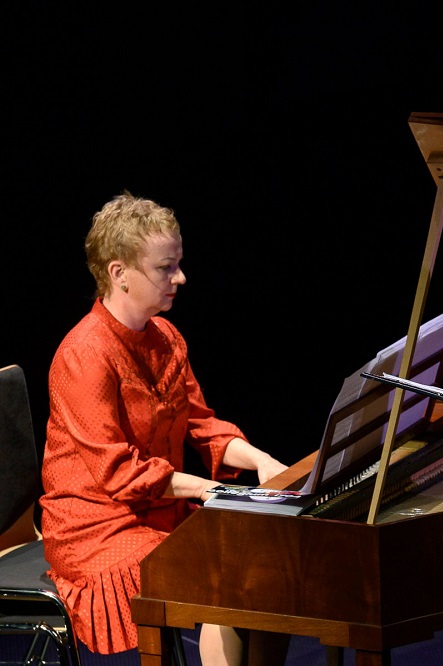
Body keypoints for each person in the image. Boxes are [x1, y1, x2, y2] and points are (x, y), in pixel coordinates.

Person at [39, 192, 290, 666]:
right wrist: (208, 489)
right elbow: (117, 473)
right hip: (98, 527)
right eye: (165, 268)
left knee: (266, 559)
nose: (180, 277)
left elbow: (201, 424)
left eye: (178, 264)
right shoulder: (83, 354)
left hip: (161, 511)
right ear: (119, 273)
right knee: (226, 575)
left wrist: (262, 461)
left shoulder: (167, 338)